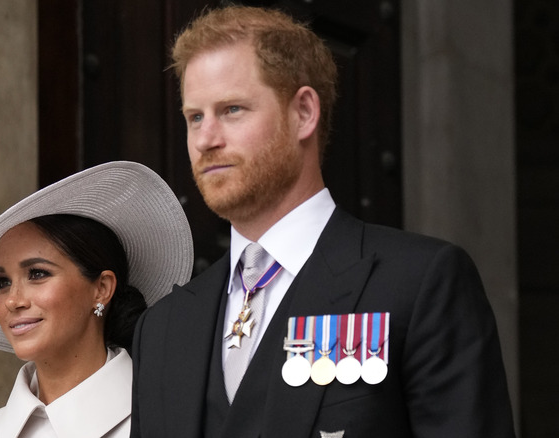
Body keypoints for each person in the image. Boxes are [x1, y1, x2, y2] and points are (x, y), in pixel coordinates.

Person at [130, 6, 516, 437]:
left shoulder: (421, 283)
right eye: (195, 117)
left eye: (232, 109)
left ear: (304, 113)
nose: (205, 139)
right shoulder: (162, 329)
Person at [0, 161, 193, 437]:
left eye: (38, 273)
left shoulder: (172, 421)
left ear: (102, 288)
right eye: (2, 282)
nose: (12, 300)